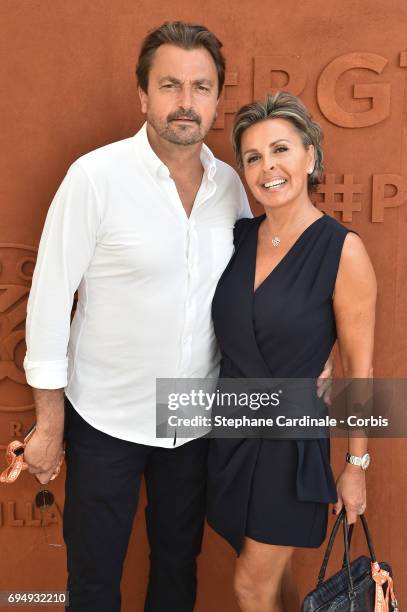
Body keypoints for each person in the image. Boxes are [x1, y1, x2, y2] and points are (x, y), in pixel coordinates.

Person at [22, 22, 332, 612]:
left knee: (175, 570)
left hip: (193, 419)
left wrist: (318, 352)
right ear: (143, 96)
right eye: (170, 85)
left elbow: (262, 291)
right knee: (92, 578)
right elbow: (49, 297)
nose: (185, 103)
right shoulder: (95, 178)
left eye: (200, 87)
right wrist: (49, 421)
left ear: (217, 98)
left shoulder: (233, 189)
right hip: (104, 416)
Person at [206, 92, 377, 612]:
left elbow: (360, 370)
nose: (268, 167)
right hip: (229, 436)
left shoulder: (341, 250)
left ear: (310, 155)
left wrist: (355, 465)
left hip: (289, 444)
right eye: (253, 157)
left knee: (249, 587)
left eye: (281, 149)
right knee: (265, 580)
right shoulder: (236, 237)